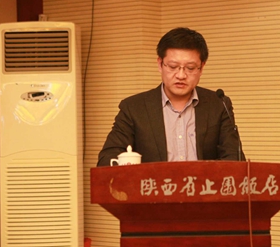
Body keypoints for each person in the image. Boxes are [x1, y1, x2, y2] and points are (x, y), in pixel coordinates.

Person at [97, 27, 244, 166]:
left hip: (205, 184)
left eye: (190, 68)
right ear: (160, 64)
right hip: (153, 184)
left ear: (201, 68)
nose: (181, 75)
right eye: (173, 67)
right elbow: (108, 158)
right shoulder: (134, 108)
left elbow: (234, 158)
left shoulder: (219, 104)